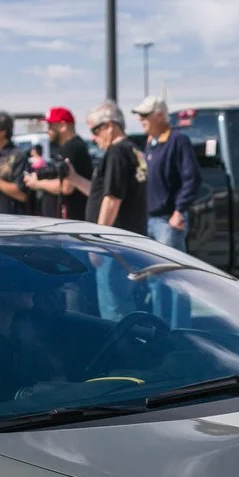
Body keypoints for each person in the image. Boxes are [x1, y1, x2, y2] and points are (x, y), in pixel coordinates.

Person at [85, 102, 150, 318]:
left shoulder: (116, 152)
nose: (94, 137)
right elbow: (103, 193)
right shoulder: (133, 150)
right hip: (128, 243)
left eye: (95, 130)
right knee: (126, 305)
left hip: (114, 247)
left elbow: (112, 198)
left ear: (110, 125)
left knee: (114, 309)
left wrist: (97, 241)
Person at [134, 96, 199, 250]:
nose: (140, 119)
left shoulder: (178, 140)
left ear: (160, 116)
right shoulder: (151, 142)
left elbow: (192, 178)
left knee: (169, 265)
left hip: (167, 221)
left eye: (145, 115)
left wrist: (179, 212)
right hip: (148, 219)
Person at [23, 106, 93, 221]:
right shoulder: (71, 145)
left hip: (74, 217)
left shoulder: (71, 147)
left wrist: (37, 183)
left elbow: (67, 186)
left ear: (63, 126)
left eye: (50, 126)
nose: (48, 131)